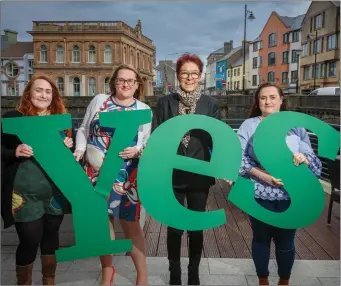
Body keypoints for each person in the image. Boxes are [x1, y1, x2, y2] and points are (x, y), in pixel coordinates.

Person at [237, 82, 322, 285]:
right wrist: (263, 176)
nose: (268, 101)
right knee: (261, 238)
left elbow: (313, 160)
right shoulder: (249, 126)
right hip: (259, 194)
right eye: (263, 97)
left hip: (290, 195)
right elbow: (237, 158)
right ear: (257, 102)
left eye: (272, 97)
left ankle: (284, 280)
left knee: (286, 242)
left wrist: (304, 159)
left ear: (281, 100)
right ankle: (263, 280)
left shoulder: (296, 128)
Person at [74, 64, 151, 286]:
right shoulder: (99, 101)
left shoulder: (143, 109)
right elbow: (83, 129)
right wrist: (79, 150)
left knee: (131, 224)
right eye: (121, 80)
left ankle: (142, 276)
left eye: (131, 80)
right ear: (114, 82)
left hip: (126, 174)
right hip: (95, 171)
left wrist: (137, 151)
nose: (126, 84)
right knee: (102, 224)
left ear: (138, 84)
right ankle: (107, 271)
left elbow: (145, 143)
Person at [152, 53, 221, 285]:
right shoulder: (164, 103)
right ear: (178, 76)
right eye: (184, 73)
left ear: (200, 76)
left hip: (199, 175)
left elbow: (215, 140)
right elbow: (157, 138)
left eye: (194, 73)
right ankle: (175, 273)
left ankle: (194, 273)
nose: (189, 77)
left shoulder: (210, 104)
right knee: (173, 227)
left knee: (196, 227)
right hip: (172, 174)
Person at [1, 75, 74, 285]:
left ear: (54, 96)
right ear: (29, 93)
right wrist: (14, 151)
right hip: (23, 193)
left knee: (51, 240)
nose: (43, 95)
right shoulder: (13, 118)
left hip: (54, 192)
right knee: (30, 240)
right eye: (38, 90)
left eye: (48, 91)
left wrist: (68, 148)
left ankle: (48, 281)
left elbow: (70, 161)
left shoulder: (62, 121)